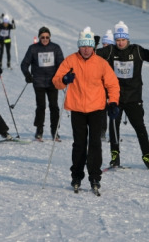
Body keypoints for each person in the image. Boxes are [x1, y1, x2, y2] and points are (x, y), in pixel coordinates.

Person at [52, 27, 120, 192]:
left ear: (93, 47)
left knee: (95, 144)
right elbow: (56, 81)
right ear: (79, 46)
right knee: (79, 144)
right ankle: (76, 176)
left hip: (97, 109)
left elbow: (112, 84)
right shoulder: (71, 61)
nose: (86, 49)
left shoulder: (101, 63)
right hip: (77, 109)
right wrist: (65, 79)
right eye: (83, 46)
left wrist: (113, 102)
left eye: (89, 46)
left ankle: (95, 177)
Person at [96, 21, 149, 170]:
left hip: (134, 97)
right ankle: (115, 156)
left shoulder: (136, 50)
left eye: (123, 40)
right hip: (115, 97)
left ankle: (147, 157)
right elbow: (93, 56)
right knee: (114, 127)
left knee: (140, 128)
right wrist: (94, 44)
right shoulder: (111, 51)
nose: (120, 43)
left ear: (127, 39)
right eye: (117, 40)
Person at [20, 26, 64, 141]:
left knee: (54, 107)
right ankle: (39, 130)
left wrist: (62, 77)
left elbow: (62, 64)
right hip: (38, 82)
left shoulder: (55, 48)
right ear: (39, 37)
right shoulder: (33, 48)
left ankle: (55, 130)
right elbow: (24, 64)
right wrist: (27, 75)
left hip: (53, 82)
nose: (45, 39)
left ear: (50, 37)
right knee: (41, 107)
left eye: (47, 37)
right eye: (42, 37)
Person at [95, 29, 115, 139]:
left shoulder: (115, 55)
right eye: (104, 44)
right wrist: (95, 44)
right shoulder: (100, 55)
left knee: (113, 109)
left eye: (107, 44)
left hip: (112, 86)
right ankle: (102, 131)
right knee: (102, 109)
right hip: (101, 86)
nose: (105, 46)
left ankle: (113, 133)